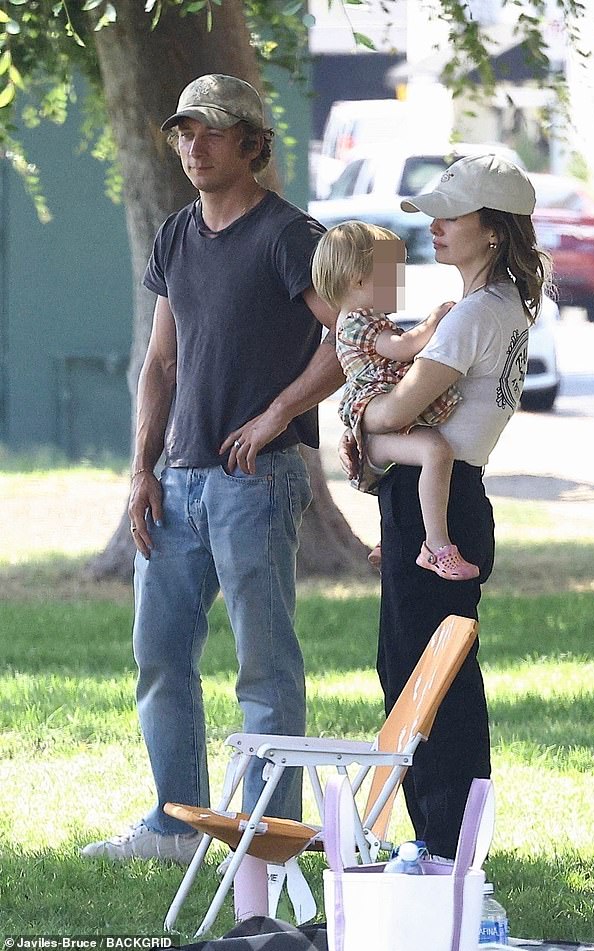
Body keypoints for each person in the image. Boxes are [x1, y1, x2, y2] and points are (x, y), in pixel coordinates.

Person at [81, 74, 341, 863]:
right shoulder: (175, 234)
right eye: (184, 132)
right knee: (161, 657)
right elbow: (159, 361)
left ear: (253, 143)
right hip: (180, 481)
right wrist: (141, 469)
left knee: (264, 668)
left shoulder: (293, 235)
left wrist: (275, 416)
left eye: (213, 132)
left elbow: (350, 339)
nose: (194, 147)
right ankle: (174, 826)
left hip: (256, 483)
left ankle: (267, 839)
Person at [340, 153, 552, 859]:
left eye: (450, 213)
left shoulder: (471, 315)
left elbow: (395, 409)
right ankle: (447, 841)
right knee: (436, 672)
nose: (434, 225)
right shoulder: (508, 306)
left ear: (492, 229)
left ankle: (439, 845)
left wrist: (353, 416)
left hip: (438, 497)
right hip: (455, 497)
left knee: (419, 676)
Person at [311, 220, 479, 580]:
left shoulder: (361, 319)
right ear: (357, 280)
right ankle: (437, 546)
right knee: (436, 453)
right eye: (392, 274)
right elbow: (401, 348)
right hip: (375, 411)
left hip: (378, 413)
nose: (400, 283)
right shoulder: (359, 321)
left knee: (416, 467)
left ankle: (396, 538)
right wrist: (435, 321)